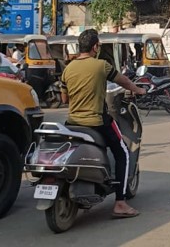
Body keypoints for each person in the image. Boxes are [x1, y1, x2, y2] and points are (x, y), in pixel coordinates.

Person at [60, 29, 146, 217]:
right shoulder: (101, 65)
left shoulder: (68, 69)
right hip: (96, 121)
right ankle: (120, 203)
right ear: (95, 47)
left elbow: (64, 98)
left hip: (72, 121)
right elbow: (123, 81)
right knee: (123, 152)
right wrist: (138, 90)